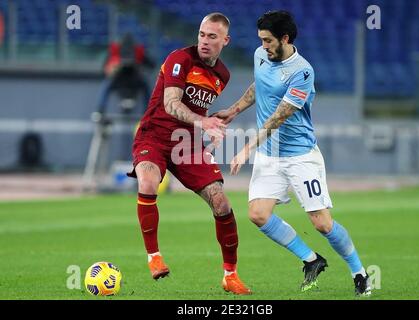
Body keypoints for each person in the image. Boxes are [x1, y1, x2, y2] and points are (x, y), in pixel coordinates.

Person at [214, 10, 371, 296]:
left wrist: (247, 147)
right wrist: (234, 110)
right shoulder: (261, 55)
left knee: (322, 223)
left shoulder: (302, 71)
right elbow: (258, 87)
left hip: (300, 155)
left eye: (268, 40)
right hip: (270, 155)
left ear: (285, 38)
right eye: (260, 40)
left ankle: (359, 272)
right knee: (258, 214)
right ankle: (312, 259)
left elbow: (279, 116)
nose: (263, 46)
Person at [127, 12, 251, 295]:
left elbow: (199, 108)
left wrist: (208, 131)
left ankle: (230, 275)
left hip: (187, 143)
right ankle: (154, 258)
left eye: (212, 37)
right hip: (154, 135)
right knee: (148, 182)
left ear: (225, 41)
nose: (204, 41)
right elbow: (171, 104)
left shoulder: (223, 75)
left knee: (222, 204)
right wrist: (203, 122)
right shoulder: (179, 59)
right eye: (201, 35)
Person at [98, 33, 155, 115]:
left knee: (146, 85)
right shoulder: (114, 51)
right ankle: (100, 110)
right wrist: (113, 68)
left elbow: (151, 64)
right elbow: (104, 69)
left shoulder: (139, 51)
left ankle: (149, 111)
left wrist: (140, 67)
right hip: (118, 80)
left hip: (134, 80)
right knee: (106, 85)